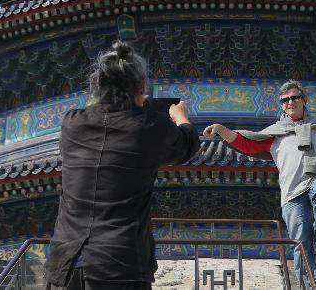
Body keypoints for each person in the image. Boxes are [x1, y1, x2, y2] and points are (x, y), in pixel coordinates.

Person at [45, 41, 200, 290]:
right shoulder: (149, 128)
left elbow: (104, 122)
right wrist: (180, 118)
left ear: (98, 85)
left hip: (66, 265)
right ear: (141, 86)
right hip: (119, 265)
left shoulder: (72, 124)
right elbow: (187, 146)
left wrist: (133, 104)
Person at [202, 81, 316, 286]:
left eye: (294, 98)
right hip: (292, 195)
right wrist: (220, 129)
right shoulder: (274, 134)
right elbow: (246, 144)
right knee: (301, 244)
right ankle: (307, 286)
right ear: (282, 105)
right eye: (285, 100)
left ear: (304, 100)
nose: (290, 102)